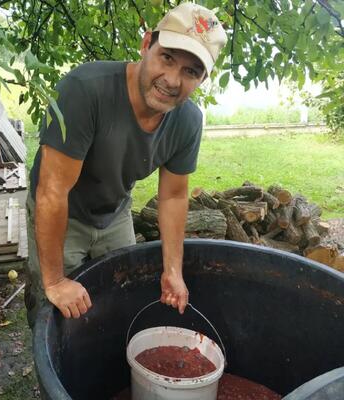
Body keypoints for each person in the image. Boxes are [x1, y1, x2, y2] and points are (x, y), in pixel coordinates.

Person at [25, 2, 227, 328]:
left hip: (115, 212)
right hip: (64, 210)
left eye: (191, 71)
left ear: (203, 78)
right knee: (55, 310)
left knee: (120, 295)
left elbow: (174, 196)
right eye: (167, 58)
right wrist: (55, 281)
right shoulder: (85, 90)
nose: (172, 80)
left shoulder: (188, 121)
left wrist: (173, 271)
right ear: (147, 44)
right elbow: (52, 192)